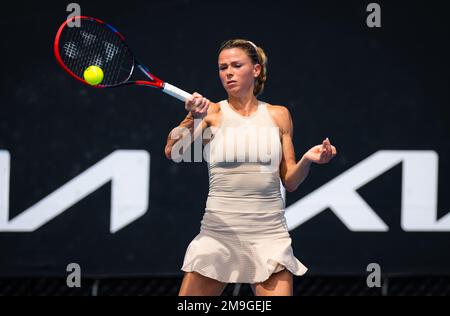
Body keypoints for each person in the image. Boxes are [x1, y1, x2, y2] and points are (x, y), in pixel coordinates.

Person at [164, 39, 337, 296]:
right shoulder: (210, 112)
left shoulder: (279, 115)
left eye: (236, 65)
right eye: (223, 68)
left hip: (269, 234)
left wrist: (308, 160)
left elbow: (290, 179)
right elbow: (173, 151)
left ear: (255, 70)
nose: (228, 73)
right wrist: (192, 117)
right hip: (218, 233)